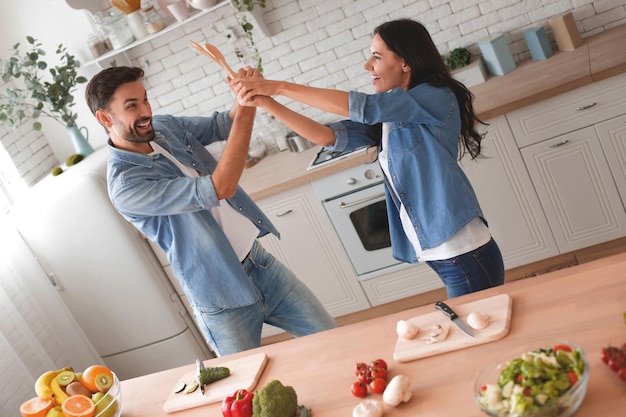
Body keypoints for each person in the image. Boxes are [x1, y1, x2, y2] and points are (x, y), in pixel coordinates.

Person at [230, 19, 505, 298]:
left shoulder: (433, 96)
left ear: (405, 62)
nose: (367, 66)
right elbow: (326, 137)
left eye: (376, 56)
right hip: (441, 252)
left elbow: (364, 108)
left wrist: (276, 86)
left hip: (463, 250)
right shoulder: (393, 113)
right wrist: (263, 99)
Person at [84, 66, 337, 357]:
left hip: (261, 265)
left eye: (145, 99)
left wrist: (243, 93)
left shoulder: (164, 128)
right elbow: (220, 187)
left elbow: (224, 126)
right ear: (104, 118)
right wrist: (247, 103)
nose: (146, 111)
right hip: (220, 297)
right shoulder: (127, 186)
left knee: (335, 340)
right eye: (132, 106)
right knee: (246, 388)